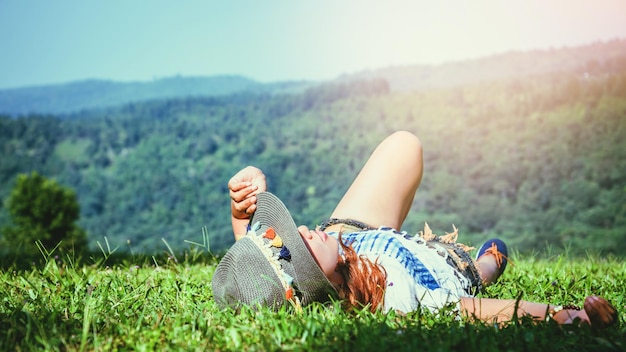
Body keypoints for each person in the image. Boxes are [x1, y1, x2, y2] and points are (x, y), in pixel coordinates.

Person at [212, 131, 618, 328]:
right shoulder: (397, 302)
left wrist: (242, 201)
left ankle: (485, 265)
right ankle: (484, 267)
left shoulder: (320, 249)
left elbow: (254, 264)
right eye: (300, 247)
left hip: (353, 233)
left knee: (404, 145)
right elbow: (479, 312)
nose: (302, 228)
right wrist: (569, 318)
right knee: (483, 268)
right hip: (442, 268)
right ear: (312, 286)